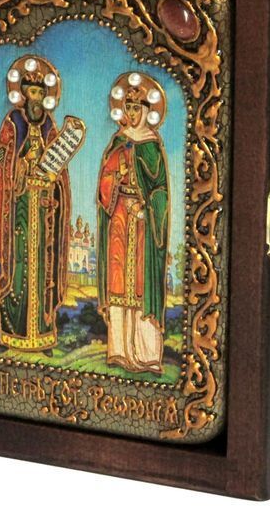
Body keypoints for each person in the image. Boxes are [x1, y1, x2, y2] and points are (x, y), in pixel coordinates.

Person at [0, 55, 76, 353]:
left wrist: (54, 182)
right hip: (19, 209)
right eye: (31, 92)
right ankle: (11, 334)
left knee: (43, 270)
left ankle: (43, 334)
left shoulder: (50, 125)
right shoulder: (12, 124)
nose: (35, 97)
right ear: (23, 94)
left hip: (44, 210)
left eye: (40, 92)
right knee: (17, 270)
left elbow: (60, 170)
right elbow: (1, 166)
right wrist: (22, 166)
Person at [97, 72, 170, 374]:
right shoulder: (118, 142)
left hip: (142, 224)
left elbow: (161, 190)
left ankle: (145, 354)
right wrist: (115, 177)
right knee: (118, 285)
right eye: (128, 107)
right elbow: (104, 184)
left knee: (140, 287)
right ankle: (119, 351)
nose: (131, 113)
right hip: (119, 220)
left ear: (147, 110)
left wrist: (147, 206)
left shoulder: (152, 145)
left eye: (137, 108)